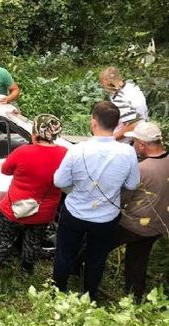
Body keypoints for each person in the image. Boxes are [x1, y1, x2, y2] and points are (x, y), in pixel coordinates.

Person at [52, 101, 140, 301]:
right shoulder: (127, 153)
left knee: (65, 253)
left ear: (93, 122)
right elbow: (133, 184)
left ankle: (58, 291)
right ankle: (90, 296)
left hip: (75, 213)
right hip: (107, 217)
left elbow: (59, 181)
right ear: (117, 125)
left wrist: (75, 190)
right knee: (97, 258)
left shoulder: (77, 150)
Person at [0, 115, 67, 276]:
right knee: (34, 240)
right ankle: (27, 269)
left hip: (14, 207)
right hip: (44, 211)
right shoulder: (64, 154)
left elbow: (5, 170)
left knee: (4, 238)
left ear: (35, 132)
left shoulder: (22, 152)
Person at [108, 121, 169, 302]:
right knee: (138, 259)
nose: (133, 145)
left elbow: (124, 197)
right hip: (158, 225)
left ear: (142, 144)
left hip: (133, 225)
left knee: (97, 243)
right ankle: (135, 297)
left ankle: (78, 270)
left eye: (135, 142)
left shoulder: (142, 169)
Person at [99, 66, 148, 142]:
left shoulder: (119, 98)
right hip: (144, 133)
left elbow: (133, 125)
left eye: (102, 84)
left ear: (106, 81)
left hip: (130, 141)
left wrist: (110, 139)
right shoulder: (132, 87)